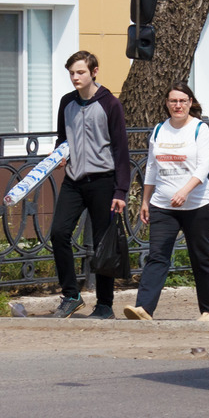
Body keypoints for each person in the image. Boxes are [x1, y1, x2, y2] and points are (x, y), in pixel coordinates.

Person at [125, 83, 209, 322]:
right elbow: (152, 168)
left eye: (182, 101)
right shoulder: (159, 130)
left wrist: (185, 191)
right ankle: (144, 308)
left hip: (196, 205)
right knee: (157, 256)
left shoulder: (200, 130)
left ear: (190, 103)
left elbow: (203, 167)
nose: (177, 105)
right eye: (173, 101)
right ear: (167, 104)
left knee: (201, 257)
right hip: (163, 206)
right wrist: (146, 200)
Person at [48, 51, 132, 319]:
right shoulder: (66, 103)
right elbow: (63, 138)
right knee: (59, 233)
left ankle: (105, 305)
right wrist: (60, 156)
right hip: (73, 181)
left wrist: (120, 191)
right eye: (72, 73)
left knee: (102, 243)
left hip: (103, 182)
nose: (75, 77)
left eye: (80, 72)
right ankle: (71, 295)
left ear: (94, 72)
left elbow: (121, 150)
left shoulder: (110, 103)